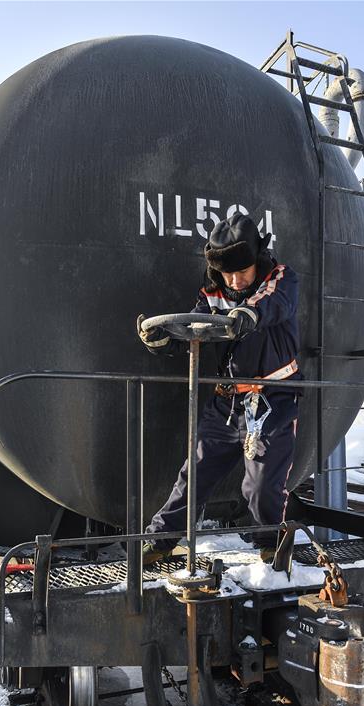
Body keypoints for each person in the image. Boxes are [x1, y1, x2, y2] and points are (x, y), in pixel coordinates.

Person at [137, 212, 301, 564]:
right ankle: (159, 540)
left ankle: (271, 548)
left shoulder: (280, 279)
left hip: (271, 399)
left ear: (257, 260)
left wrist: (247, 314)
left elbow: (272, 303)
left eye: (242, 271)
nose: (236, 280)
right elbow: (196, 327)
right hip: (226, 404)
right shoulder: (212, 293)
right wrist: (164, 341)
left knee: (260, 487)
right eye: (228, 273)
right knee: (194, 473)